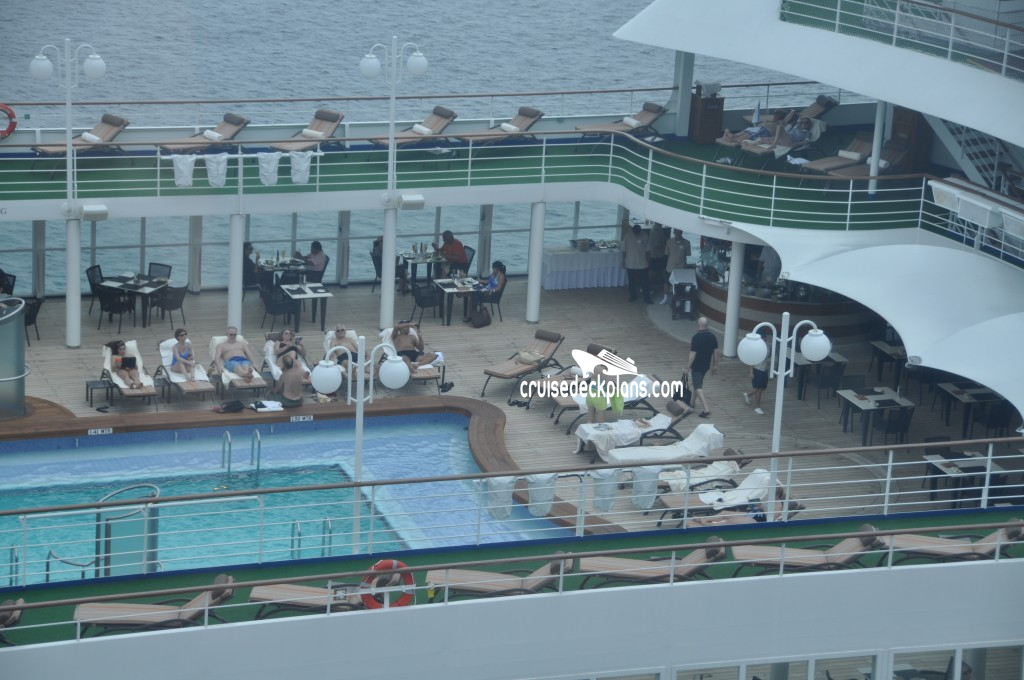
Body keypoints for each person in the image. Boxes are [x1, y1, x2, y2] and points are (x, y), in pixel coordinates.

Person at [684, 317, 720, 418]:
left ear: (698, 325)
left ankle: (706, 409)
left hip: (697, 365)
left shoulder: (696, 337)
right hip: (706, 365)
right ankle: (692, 402)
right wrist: (715, 365)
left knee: (698, 386)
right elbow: (716, 352)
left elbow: (693, 354)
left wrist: (687, 367)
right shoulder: (712, 336)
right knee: (697, 383)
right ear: (707, 325)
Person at [620, 218, 651, 304]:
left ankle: (647, 298)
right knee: (631, 281)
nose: (636, 234)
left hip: (642, 264)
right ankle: (633, 296)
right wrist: (623, 261)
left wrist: (649, 261)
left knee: (645, 282)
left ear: (640, 231)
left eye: (638, 233)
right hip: (630, 263)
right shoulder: (627, 236)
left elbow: (648, 250)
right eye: (635, 233)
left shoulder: (645, 236)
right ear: (632, 231)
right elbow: (623, 250)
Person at [743, 327, 771, 415]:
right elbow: (751, 359)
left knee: (763, 387)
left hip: (764, 369)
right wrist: (751, 372)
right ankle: (757, 407)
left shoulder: (768, 346)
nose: (764, 339)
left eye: (765, 337)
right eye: (763, 337)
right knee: (758, 388)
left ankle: (748, 395)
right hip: (757, 369)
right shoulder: (755, 347)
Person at [719, 108, 788, 144]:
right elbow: (757, 125)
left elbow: (788, 118)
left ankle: (729, 135)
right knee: (741, 135)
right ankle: (731, 136)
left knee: (744, 136)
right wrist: (754, 116)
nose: (774, 115)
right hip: (758, 128)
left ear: (781, 116)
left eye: (777, 114)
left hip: (765, 130)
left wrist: (792, 111)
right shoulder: (769, 121)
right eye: (774, 114)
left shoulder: (781, 122)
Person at [660, 227, 691, 305]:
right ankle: (665, 298)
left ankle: (678, 299)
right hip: (670, 267)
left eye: (679, 232)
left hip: (681, 268)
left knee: (680, 284)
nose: (678, 234)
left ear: (682, 232)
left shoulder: (687, 243)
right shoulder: (669, 242)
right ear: (674, 233)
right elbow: (667, 254)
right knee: (666, 283)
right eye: (676, 232)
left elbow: (688, 254)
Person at [648, 223, 668, 302]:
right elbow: (656, 244)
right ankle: (646, 287)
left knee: (662, 271)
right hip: (656, 255)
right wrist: (666, 245)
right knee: (653, 272)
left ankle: (665, 287)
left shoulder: (658, 228)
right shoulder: (655, 230)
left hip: (659, 255)